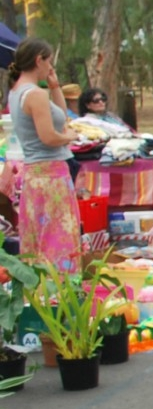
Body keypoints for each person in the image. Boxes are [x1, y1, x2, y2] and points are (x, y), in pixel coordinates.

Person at [7, 38, 80, 272]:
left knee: (38, 238)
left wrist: (55, 87)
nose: (50, 68)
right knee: (59, 237)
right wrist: (70, 137)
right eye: (49, 62)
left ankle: (39, 292)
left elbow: (60, 117)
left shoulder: (16, 91)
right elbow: (49, 136)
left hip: (33, 176)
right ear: (39, 60)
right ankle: (62, 289)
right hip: (52, 175)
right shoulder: (35, 95)